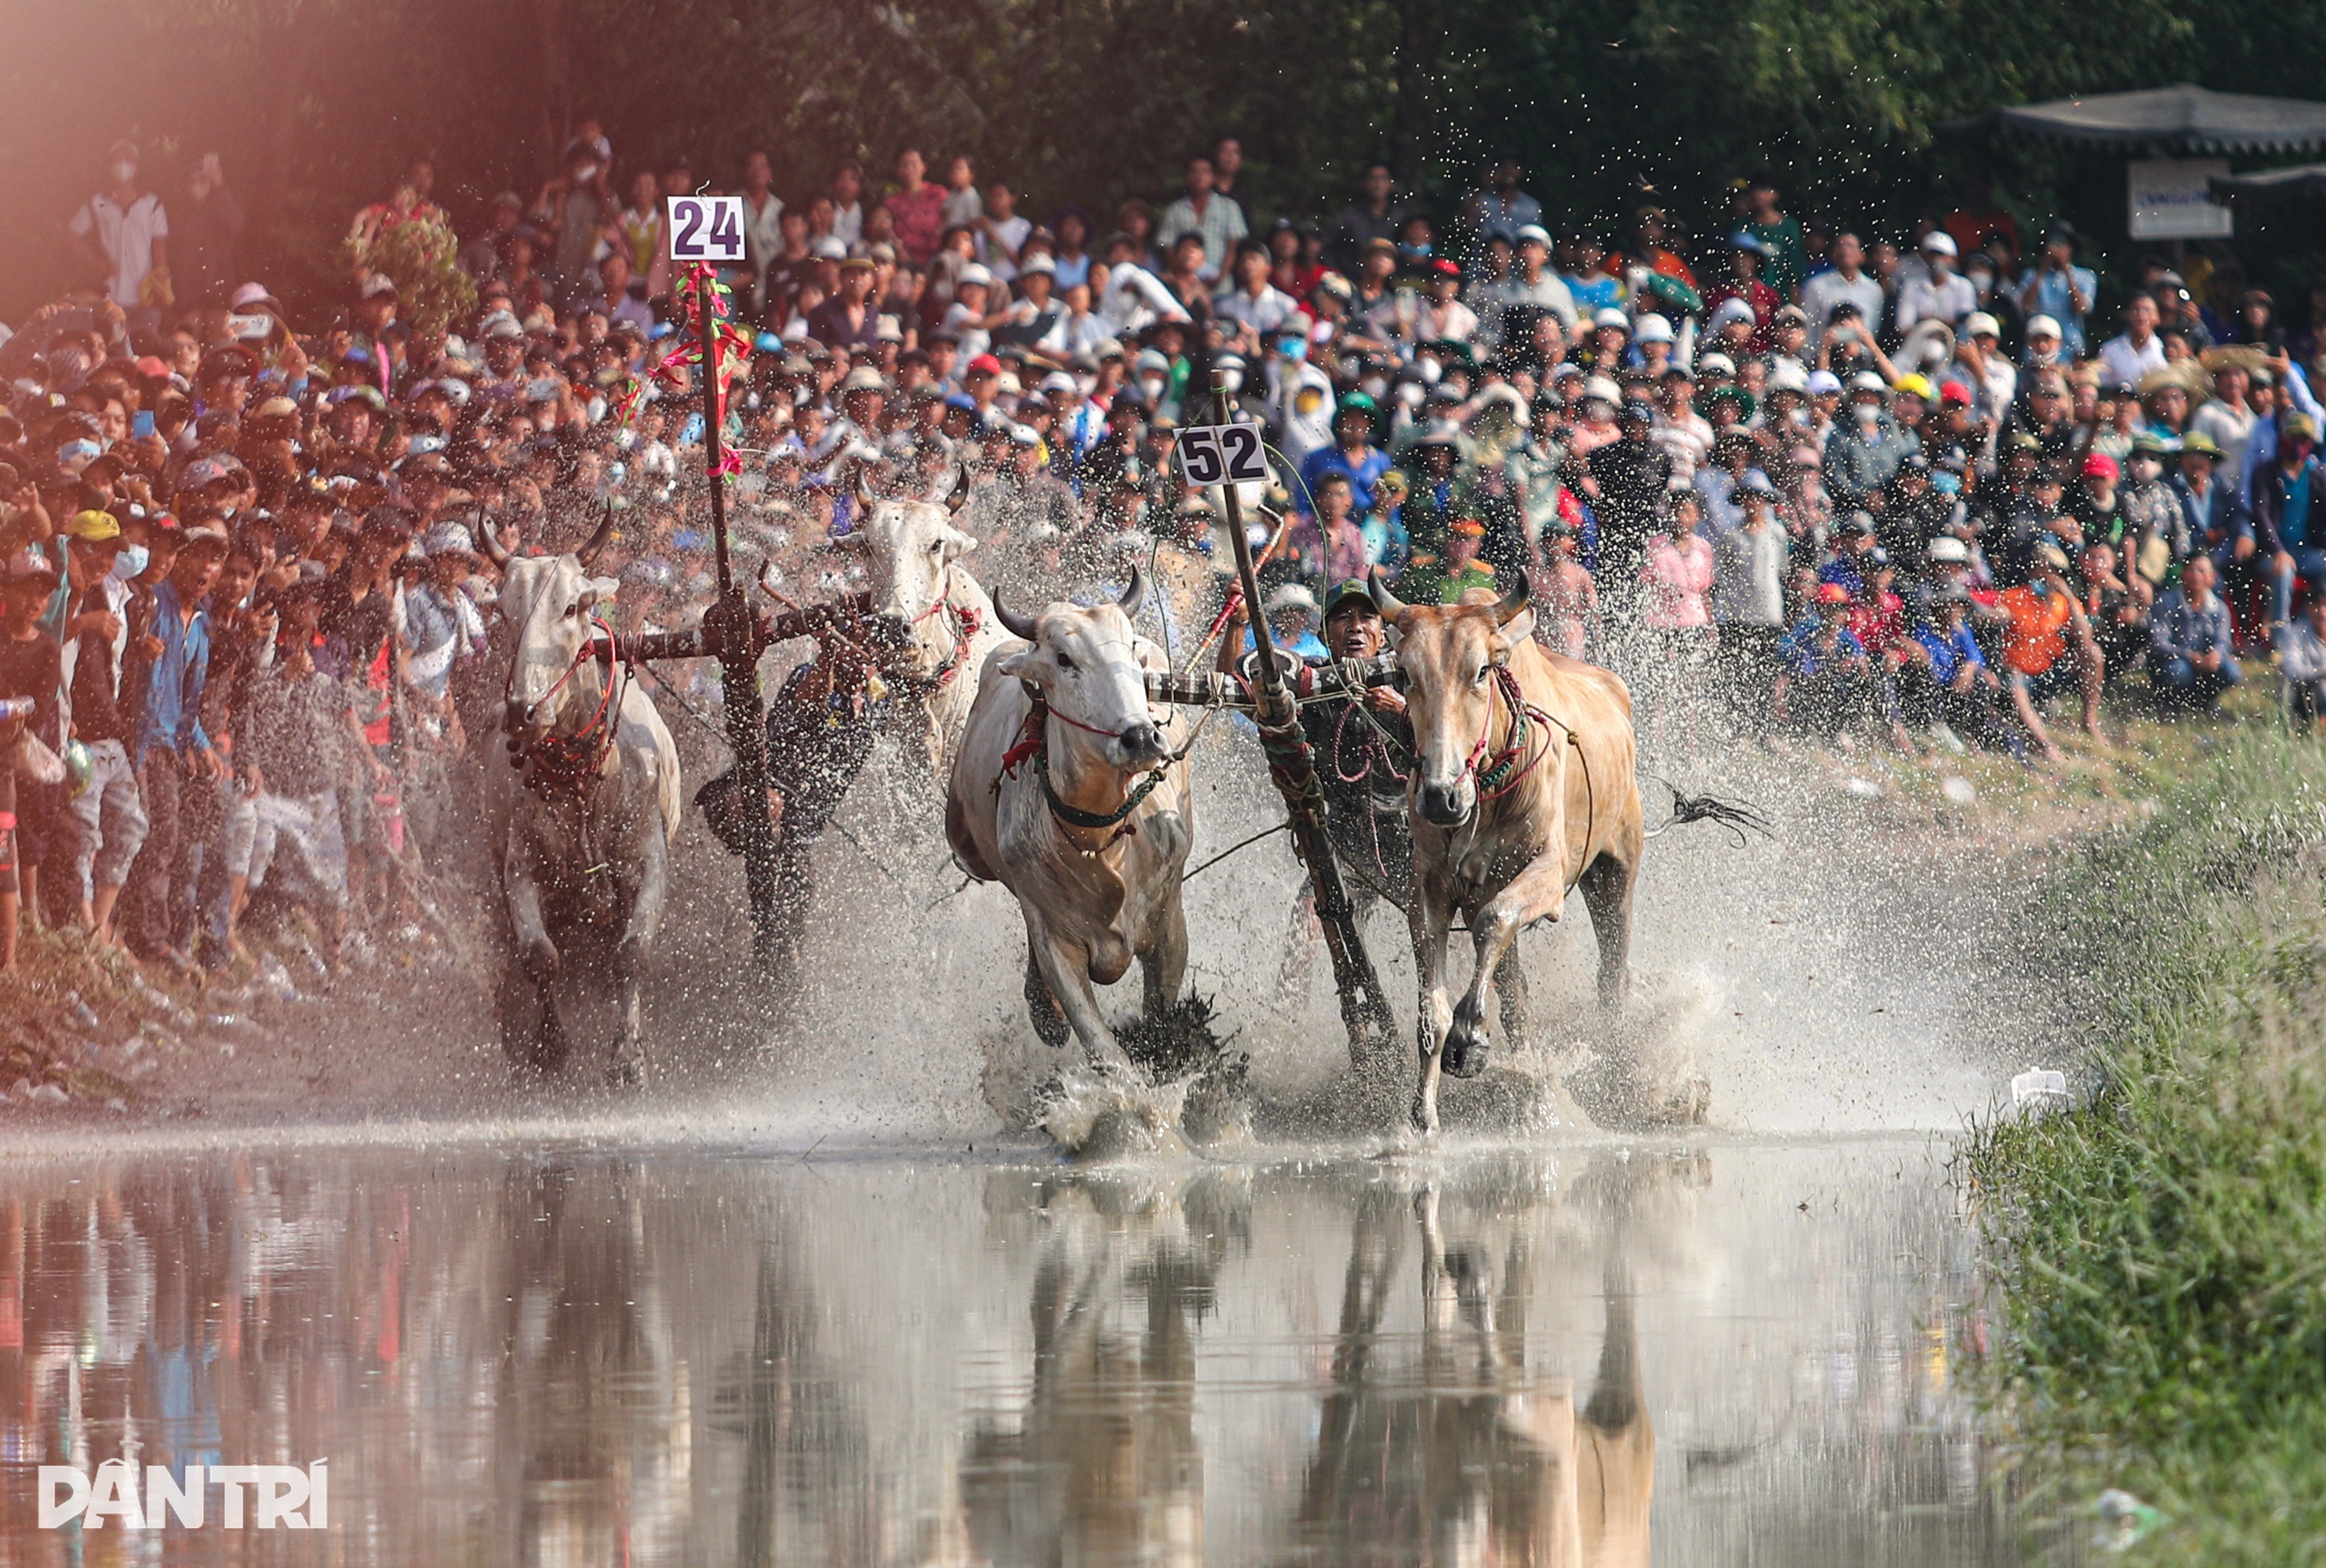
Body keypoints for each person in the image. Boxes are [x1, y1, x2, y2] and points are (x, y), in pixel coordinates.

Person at [59, 509, 147, 946]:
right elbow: (31, 641)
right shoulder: (63, 591)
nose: (103, 560)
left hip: (110, 738)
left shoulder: (105, 596)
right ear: (72, 547)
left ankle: (101, 923)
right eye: (95, 549)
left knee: (132, 828)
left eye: (111, 552)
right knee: (82, 838)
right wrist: (81, 623)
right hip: (77, 739)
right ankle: (83, 926)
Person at [0, 550, 63, 966]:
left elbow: (41, 705)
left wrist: (8, 708)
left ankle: (10, 958)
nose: (34, 599)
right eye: (26, 588)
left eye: (42, 592)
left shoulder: (47, 648)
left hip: (5, 761)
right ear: (8, 589)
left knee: (4, 854)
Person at [1999, 540, 2103, 761]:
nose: (2048, 574)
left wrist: (2066, 593)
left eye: (2055, 570)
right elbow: (1997, 615)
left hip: (2050, 671)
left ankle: (2089, 720)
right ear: (2033, 569)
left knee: (2093, 652)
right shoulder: (2014, 597)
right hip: (2020, 674)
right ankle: (2045, 744)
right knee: (2016, 679)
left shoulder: (2065, 603)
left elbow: (2085, 635)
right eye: (2044, 567)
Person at [67, 140, 169, 322]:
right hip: (110, 295)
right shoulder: (98, 203)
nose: (122, 164)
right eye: (117, 160)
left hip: (145, 295)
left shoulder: (152, 203)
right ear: (109, 166)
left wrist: (161, 283)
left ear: (137, 167)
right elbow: (71, 236)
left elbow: (159, 246)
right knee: (114, 346)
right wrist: (96, 262)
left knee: (146, 346)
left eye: (127, 159)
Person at [2252, 413, 2326, 644]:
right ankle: (2280, 640)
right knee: (2283, 572)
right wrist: (2278, 551)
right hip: (2273, 551)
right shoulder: (2265, 473)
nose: (2297, 444)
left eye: (2303, 439)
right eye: (2292, 437)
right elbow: (2262, 515)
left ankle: (2307, 633)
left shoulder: (2318, 474)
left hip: (2307, 550)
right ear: (2282, 438)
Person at [2147, 554, 2240, 716]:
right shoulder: (2166, 601)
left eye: (2202, 571)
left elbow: (2224, 641)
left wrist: (2216, 655)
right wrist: (2188, 656)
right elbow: (2158, 643)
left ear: (2212, 577)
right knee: (2179, 671)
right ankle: (2169, 702)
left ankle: (2203, 701)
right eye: (2191, 570)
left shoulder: (2219, 608)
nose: (2197, 576)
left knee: (2232, 671)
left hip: (2203, 666)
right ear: (2183, 574)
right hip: (2174, 665)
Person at [1155, 156, 1246, 282]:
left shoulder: (1229, 207)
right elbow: (1167, 247)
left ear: (1214, 177)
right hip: (1183, 287)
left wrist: (1219, 278)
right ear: (1187, 177)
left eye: (1205, 171)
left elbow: (1234, 248)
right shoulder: (1174, 210)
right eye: (1194, 171)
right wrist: (1184, 277)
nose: (1199, 176)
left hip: (1221, 287)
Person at [2015, 224, 2097, 357]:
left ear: (2071, 249)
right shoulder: (2030, 276)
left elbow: (2081, 308)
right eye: (2054, 243)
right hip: (2037, 349)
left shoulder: (2085, 277)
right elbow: (2024, 306)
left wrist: (2066, 270)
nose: (2057, 249)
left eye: (2062, 245)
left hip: (2070, 349)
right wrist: (2043, 269)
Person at [1326, 164, 1402, 276]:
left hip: (1392, 283)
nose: (1378, 184)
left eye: (1383, 178)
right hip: (1354, 282)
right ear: (1364, 184)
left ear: (1392, 184)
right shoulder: (1347, 218)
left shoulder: (1401, 217)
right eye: (1373, 178)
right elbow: (1327, 248)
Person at [2098, 296, 2167, 394]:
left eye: (2147, 310)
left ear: (2157, 318)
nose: (2141, 315)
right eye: (2136, 310)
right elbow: (2103, 387)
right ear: (2128, 315)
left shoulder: (2164, 350)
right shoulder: (2110, 350)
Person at [2282, 591, 2326, 732]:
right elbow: (2292, 671)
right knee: (2312, 686)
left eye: (2325, 605)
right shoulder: (2296, 634)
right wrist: (2321, 672)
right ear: (2308, 607)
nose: (2322, 611)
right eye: (2316, 604)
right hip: (2308, 695)